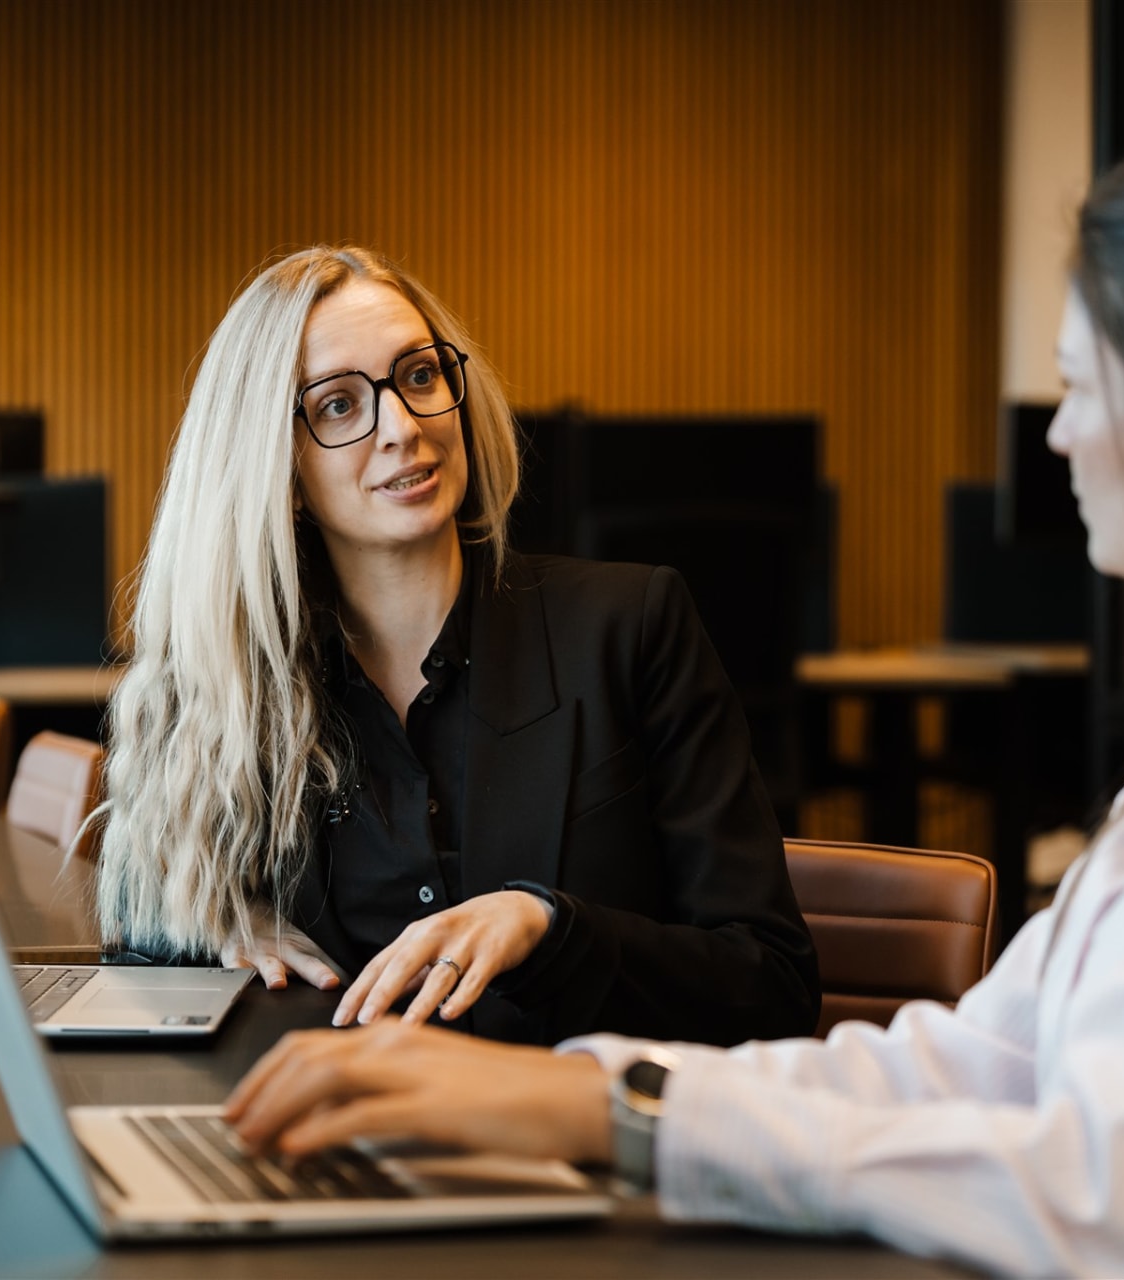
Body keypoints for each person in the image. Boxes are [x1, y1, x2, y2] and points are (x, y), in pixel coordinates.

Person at [222, 135, 1124, 1277]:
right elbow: (981, 1062)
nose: (1060, 438)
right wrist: (596, 1092)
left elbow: (1106, 1189)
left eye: (1082, 386)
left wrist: (609, 1112)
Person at [95, 245, 819, 1046]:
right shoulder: (233, 686)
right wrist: (211, 937)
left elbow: (772, 984)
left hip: (565, 1117)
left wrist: (550, 928)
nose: (403, 428)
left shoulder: (631, 625)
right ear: (278, 468)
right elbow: (132, 938)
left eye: (419, 375)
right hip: (337, 1121)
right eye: (337, 405)